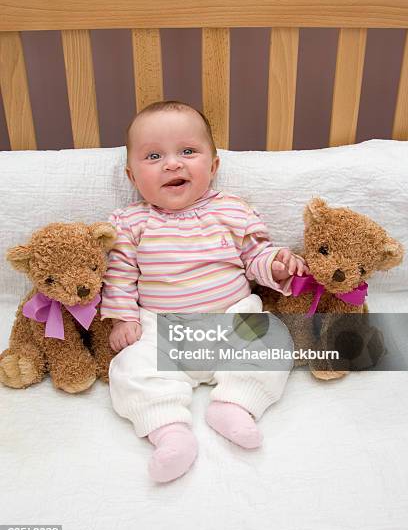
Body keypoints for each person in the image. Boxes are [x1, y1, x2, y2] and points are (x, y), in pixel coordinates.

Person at [101, 100, 309, 483]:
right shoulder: (131, 222)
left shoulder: (232, 211)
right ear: (132, 176)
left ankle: (235, 404)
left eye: (188, 151)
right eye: (153, 156)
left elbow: (254, 255)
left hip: (231, 320)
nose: (172, 164)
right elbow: (119, 275)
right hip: (162, 330)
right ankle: (169, 431)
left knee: (273, 338)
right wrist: (123, 318)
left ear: (213, 166)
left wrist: (275, 265)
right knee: (129, 369)